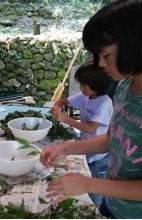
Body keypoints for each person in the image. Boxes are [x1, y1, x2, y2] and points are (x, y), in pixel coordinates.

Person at [40, 0, 142, 218]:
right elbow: (112, 139)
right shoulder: (124, 88)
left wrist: (89, 184)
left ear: (134, 44)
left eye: (105, 56)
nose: (101, 65)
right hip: (113, 203)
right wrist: (68, 148)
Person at [52, 62, 113, 206]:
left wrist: (65, 118)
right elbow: (63, 101)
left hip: (99, 156)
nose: (81, 89)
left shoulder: (105, 103)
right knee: (86, 180)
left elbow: (90, 128)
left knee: (95, 190)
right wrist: (56, 107)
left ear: (96, 86)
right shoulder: (85, 96)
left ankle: (96, 210)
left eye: (84, 86)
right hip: (86, 150)